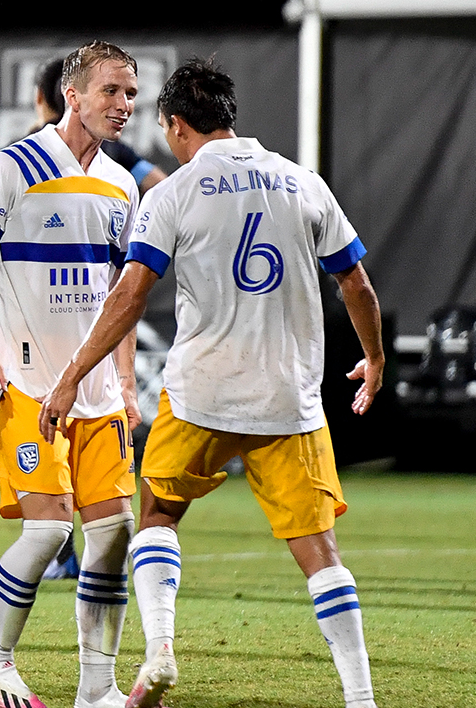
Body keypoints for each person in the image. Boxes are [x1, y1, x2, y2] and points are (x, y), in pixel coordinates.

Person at [41, 58, 383, 708]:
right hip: (289, 399)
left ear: (175, 126)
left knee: (158, 516)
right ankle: (361, 697)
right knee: (319, 550)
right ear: (229, 115)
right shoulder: (300, 182)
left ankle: (161, 649)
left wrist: (71, 377)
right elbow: (356, 285)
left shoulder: (172, 194)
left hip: (200, 394)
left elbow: (129, 296)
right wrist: (376, 358)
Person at [0, 41, 143, 708]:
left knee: (112, 534)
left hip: (100, 396)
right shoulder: (12, 167)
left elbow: (124, 296)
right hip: (28, 387)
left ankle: (99, 688)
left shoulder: (122, 186)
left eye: (131, 93)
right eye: (112, 91)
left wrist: (129, 383)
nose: (125, 105)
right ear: (74, 95)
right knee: (50, 529)